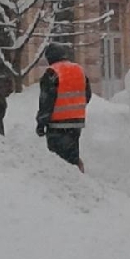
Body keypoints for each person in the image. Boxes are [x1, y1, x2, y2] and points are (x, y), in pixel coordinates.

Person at [36, 43, 91, 173]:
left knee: (58, 161)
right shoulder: (79, 70)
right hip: (76, 123)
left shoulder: (52, 72)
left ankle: (62, 185)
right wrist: (75, 108)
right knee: (72, 156)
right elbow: (87, 95)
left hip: (57, 125)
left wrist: (41, 123)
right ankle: (79, 179)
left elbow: (46, 101)